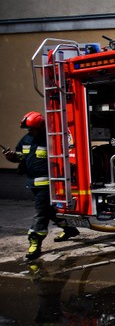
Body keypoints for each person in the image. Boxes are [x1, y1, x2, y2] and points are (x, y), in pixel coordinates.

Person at [3, 111, 79, 265]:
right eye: (28, 129)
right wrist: (11, 157)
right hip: (32, 183)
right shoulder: (26, 139)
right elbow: (21, 157)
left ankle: (35, 242)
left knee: (40, 213)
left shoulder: (50, 139)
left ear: (40, 127)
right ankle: (69, 229)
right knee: (49, 210)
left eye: (32, 129)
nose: (30, 132)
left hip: (46, 184)